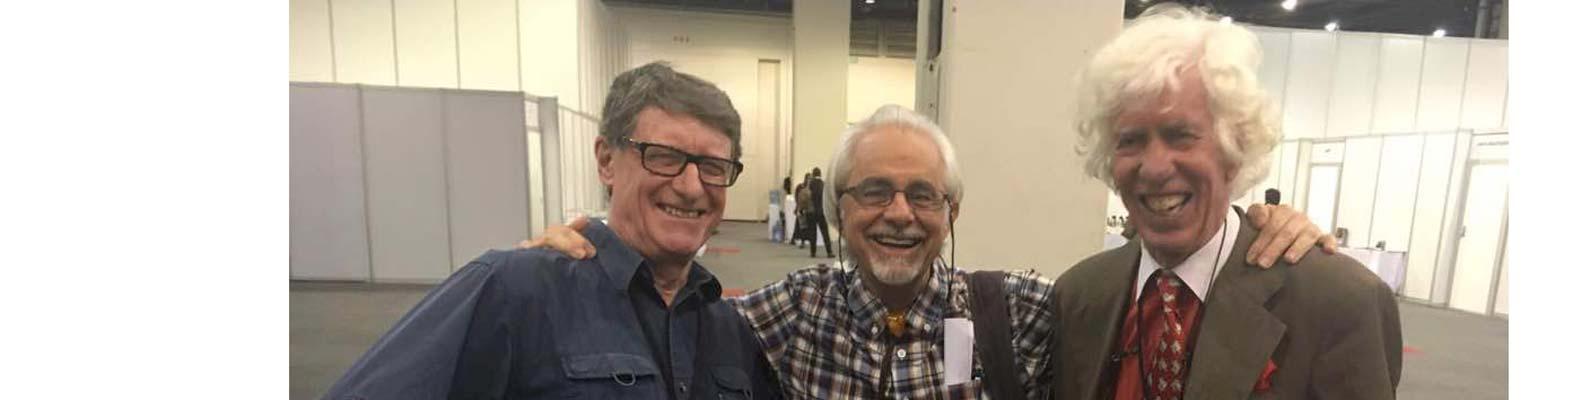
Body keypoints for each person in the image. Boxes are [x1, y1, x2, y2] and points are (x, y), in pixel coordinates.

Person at [526, 105, 1334, 399]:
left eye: (923, 196)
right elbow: (667, 308)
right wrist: (579, 256)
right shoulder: (782, 313)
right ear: (837, 209)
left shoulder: (1024, 309)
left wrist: (1256, 229)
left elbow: (1162, 296)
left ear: (953, 211)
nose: (899, 216)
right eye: (873, 192)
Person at [325, 62, 783, 399]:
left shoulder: (731, 331)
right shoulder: (512, 289)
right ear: (606, 161)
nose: (690, 186)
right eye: (663, 156)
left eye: (713, 166)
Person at [1050, 6, 1403, 399]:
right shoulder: (1077, 296)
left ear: (1235, 150)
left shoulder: (1339, 303)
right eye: (1130, 140)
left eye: (1180, 135)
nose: (1153, 167)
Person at [806, 166, 835, 258]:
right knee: (825, 232)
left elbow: (807, 197)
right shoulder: (823, 184)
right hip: (821, 211)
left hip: (811, 212)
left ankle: (813, 252)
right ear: (820, 174)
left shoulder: (810, 185)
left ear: (813, 174)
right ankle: (829, 251)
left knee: (812, 232)